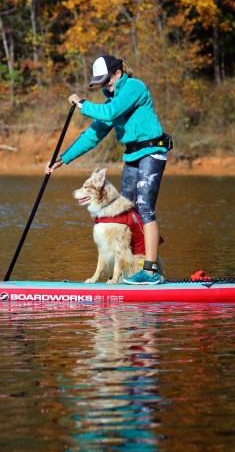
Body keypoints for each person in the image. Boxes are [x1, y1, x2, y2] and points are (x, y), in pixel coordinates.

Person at [45, 55, 171, 285]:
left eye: (107, 81)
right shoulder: (112, 100)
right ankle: (131, 267)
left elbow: (110, 113)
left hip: (152, 152)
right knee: (126, 213)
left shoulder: (134, 87)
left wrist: (82, 103)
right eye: (102, 84)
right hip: (132, 155)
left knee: (144, 208)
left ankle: (151, 272)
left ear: (118, 74)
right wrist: (64, 158)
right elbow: (93, 135)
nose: (106, 86)